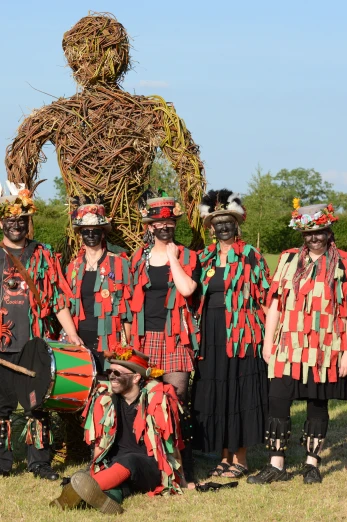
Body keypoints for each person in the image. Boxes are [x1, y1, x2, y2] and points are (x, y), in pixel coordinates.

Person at [0, 184, 82, 481]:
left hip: (35, 346)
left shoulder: (43, 254)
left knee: (36, 405)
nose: (16, 225)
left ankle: (40, 463)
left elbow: (56, 299)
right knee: (0, 406)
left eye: (21, 220)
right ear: (1, 222)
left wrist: (72, 334)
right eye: (10, 221)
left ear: (28, 221)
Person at [248, 201, 347, 485]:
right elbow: (274, 305)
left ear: (329, 231)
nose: (314, 237)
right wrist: (268, 343)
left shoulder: (345, 263)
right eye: (309, 233)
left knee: (318, 404)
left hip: (325, 348)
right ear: (302, 235)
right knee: (278, 401)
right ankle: (277, 465)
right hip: (287, 346)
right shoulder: (287, 260)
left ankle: (312, 465)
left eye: (319, 231)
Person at [193, 189, 270, 479]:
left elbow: (266, 296)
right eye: (217, 222)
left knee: (238, 393)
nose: (223, 226)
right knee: (218, 392)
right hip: (211, 334)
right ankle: (223, 457)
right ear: (211, 227)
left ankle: (241, 459)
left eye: (228, 221)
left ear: (236, 224)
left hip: (242, 335)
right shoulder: (204, 258)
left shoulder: (252, 256)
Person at [51, 349, 183, 515]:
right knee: (117, 482)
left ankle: (77, 491)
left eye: (117, 372)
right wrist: (94, 467)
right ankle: (106, 498)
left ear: (136, 377)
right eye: (109, 372)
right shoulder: (106, 399)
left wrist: (181, 479)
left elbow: (171, 443)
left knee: (130, 460)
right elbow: (101, 441)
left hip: (148, 467)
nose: (111, 376)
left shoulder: (155, 400)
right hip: (116, 465)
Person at [128, 191, 200, 484]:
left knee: (177, 400)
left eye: (170, 221)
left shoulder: (187, 255)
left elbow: (186, 290)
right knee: (144, 401)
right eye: (159, 222)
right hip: (145, 339)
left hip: (174, 338)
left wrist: (172, 258)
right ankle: (151, 466)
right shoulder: (137, 259)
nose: (165, 226)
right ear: (149, 226)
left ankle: (183, 470)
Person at [64, 199, 132, 374]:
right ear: (81, 234)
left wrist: (126, 342)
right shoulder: (73, 267)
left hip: (111, 337)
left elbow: (129, 308)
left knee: (111, 387)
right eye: (86, 231)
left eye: (96, 231)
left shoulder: (120, 264)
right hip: (80, 337)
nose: (91, 235)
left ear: (103, 234)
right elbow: (67, 305)